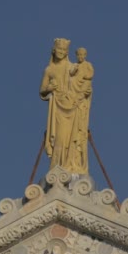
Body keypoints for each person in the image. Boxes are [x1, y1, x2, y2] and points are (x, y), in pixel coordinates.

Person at [40, 38, 86, 174]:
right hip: (58, 108)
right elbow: (42, 90)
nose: (61, 52)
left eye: (63, 50)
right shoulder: (49, 70)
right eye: (59, 49)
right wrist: (49, 88)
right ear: (54, 51)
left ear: (67, 52)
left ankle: (72, 164)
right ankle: (57, 166)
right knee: (60, 137)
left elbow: (82, 84)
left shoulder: (72, 67)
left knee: (72, 137)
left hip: (71, 106)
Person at [70, 47, 94, 172]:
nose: (80, 57)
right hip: (74, 93)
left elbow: (90, 74)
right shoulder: (75, 66)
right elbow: (71, 75)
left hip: (82, 92)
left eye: (82, 55)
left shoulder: (87, 65)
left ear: (85, 55)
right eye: (78, 55)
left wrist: (84, 75)